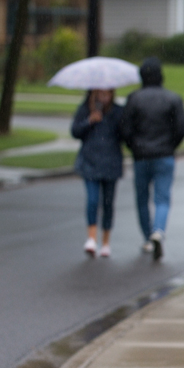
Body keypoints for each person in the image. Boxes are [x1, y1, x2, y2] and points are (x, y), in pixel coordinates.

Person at [119, 57, 184, 261]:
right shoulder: (173, 99)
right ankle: (159, 229)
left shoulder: (134, 99)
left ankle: (148, 237)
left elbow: (125, 128)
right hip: (164, 155)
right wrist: (170, 146)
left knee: (142, 198)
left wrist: (134, 146)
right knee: (162, 197)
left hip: (141, 156)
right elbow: (181, 128)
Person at [71, 88, 124, 258]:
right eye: (101, 94)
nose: (104, 97)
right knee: (93, 200)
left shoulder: (117, 111)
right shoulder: (85, 109)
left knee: (108, 203)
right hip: (90, 161)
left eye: (107, 94)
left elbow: (125, 134)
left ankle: (106, 241)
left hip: (111, 163)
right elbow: (75, 131)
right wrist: (89, 121)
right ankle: (91, 239)